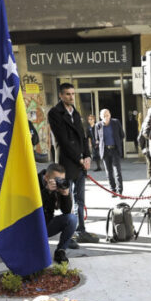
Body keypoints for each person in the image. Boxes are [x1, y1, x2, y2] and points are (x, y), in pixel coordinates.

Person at [47, 83, 97, 243]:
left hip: (80, 164)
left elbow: (83, 136)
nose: (71, 97)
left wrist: (88, 156)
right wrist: (80, 159)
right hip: (65, 164)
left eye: (73, 94)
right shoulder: (55, 113)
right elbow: (63, 140)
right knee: (65, 201)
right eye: (68, 94)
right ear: (61, 95)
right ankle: (68, 236)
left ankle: (81, 230)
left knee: (80, 200)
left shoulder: (75, 112)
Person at [38, 163, 79, 263]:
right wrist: (47, 191)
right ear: (46, 177)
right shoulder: (34, 182)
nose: (60, 182)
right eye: (57, 179)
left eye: (62, 179)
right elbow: (31, 207)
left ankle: (60, 251)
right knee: (39, 259)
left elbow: (66, 211)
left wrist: (65, 195)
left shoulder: (59, 185)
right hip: (32, 227)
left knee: (72, 219)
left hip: (47, 224)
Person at [94, 108, 125, 194]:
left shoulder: (116, 122)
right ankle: (113, 190)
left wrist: (117, 144)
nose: (106, 117)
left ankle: (119, 191)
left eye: (107, 115)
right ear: (100, 117)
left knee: (117, 171)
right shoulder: (98, 125)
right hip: (105, 151)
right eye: (104, 116)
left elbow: (122, 135)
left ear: (110, 115)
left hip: (114, 150)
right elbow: (97, 138)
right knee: (109, 172)